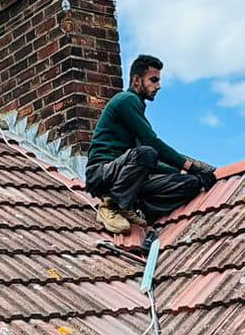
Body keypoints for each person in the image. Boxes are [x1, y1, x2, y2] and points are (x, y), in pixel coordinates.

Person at [84, 54, 215, 232]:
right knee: (147, 153)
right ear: (137, 80)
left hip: (126, 176)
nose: (158, 86)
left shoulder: (136, 110)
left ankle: (135, 206)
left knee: (190, 184)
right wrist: (191, 166)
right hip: (101, 173)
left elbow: (153, 160)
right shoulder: (126, 100)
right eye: (153, 80)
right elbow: (152, 145)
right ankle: (111, 206)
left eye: (158, 81)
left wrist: (186, 173)